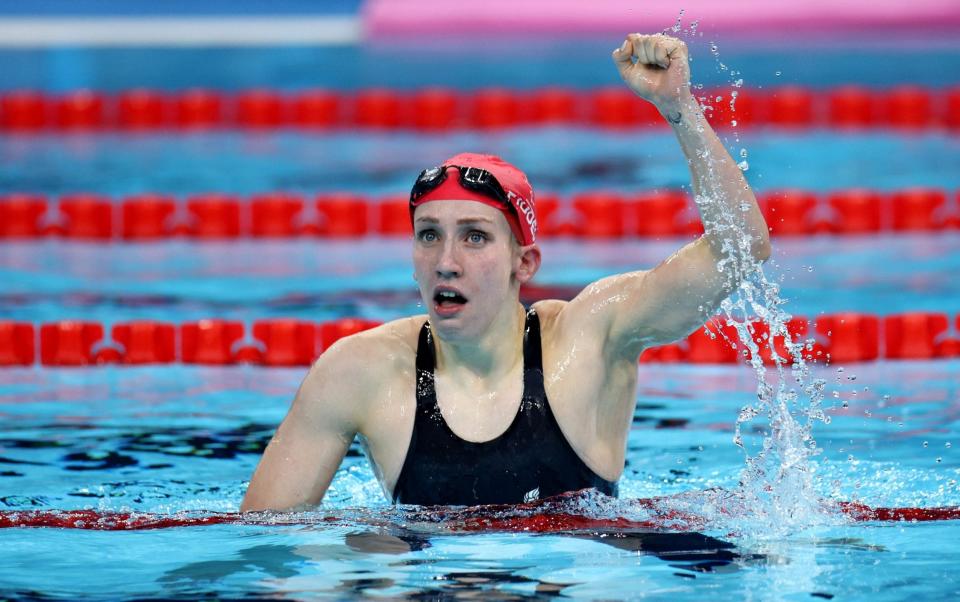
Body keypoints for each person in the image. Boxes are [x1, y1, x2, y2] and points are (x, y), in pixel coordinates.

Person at [241, 33, 771, 511]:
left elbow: (741, 247)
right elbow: (260, 545)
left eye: (475, 236)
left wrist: (679, 108)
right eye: (429, 234)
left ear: (526, 262)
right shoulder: (361, 370)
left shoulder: (591, 337)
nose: (446, 261)